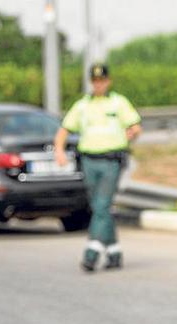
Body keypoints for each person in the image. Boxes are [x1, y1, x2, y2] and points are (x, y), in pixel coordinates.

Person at [54, 63, 142, 272]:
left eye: (102, 81)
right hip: (89, 160)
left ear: (108, 81)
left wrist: (133, 134)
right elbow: (64, 129)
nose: (98, 84)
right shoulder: (83, 105)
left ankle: (92, 251)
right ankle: (113, 251)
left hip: (111, 160)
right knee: (98, 207)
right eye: (95, 81)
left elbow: (135, 126)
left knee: (102, 205)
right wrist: (59, 151)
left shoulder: (118, 103)